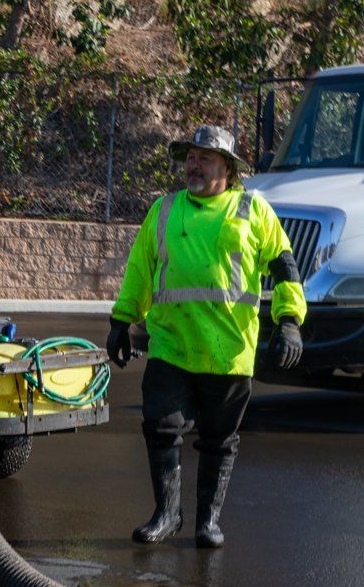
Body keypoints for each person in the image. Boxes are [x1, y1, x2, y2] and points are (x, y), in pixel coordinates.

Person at [106, 124, 306, 548]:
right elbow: (141, 269)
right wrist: (122, 321)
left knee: (218, 439)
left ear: (228, 169)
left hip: (227, 351)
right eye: (190, 157)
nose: (193, 165)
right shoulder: (164, 209)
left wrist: (289, 321)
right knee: (160, 426)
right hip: (171, 343)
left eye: (205, 158)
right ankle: (166, 515)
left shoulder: (253, 211)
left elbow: (285, 266)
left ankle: (207, 522)